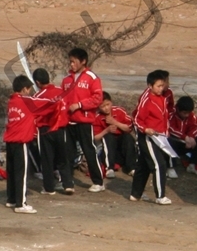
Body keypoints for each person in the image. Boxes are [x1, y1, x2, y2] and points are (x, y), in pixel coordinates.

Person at [61, 48, 104, 191]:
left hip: (84, 121)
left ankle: (98, 182)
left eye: (74, 61)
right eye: (70, 61)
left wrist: (80, 105)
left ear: (83, 61)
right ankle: (67, 183)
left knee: (89, 150)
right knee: (67, 152)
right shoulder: (66, 79)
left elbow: (97, 98)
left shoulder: (92, 78)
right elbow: (62, 99)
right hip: (69, 121)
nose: (71, 64)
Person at [131, 70, 174, 204]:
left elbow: (165, 117)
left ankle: (135, 194)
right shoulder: (146, 100)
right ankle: (160, 196)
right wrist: (145, 129)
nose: (161, 89)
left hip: (160, 137)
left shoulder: (163, 98)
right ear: (150, 86)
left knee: (143, 165)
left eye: (163, 85)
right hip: (148, 137)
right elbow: (137, 119)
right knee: (158, 164)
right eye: (158, 86)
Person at [31, 67, 71, 194]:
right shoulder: (62, 91)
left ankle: (49, 188)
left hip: (46, 130)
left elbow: (34, 114)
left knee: (47, 160)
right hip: (62, 128)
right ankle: (68, 184)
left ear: (37, 82)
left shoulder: (38, 96)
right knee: (63, 158)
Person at [4, 75, 40, 213]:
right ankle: (21, 203)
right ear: (25, 89)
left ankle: (11, 199)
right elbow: (45, 104)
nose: (30, 92)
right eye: (29, 89)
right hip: (21, 141)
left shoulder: (11, 101)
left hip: (10, 141)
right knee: (21, 173)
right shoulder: (26, 101)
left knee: (12, 172)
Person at [91, 96, 135, 177]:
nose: (106, 108)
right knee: (108, 137)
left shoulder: (119, 111)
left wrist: (115, 122)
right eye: (103, 106)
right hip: (107, 149)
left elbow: (129, 128)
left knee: (127, 137)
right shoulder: (97, 117)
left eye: (107, 104)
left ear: (111, 102)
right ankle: (109, 168)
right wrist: (106, 130)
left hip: (121, 145)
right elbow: (95, 137)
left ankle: (131, 167)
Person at [168, 95, 197, 169]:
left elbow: (195, 127)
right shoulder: (172, 114)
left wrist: (191, 136)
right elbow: (171, 128)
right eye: (184, 113)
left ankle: (193, 163)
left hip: (187, 142)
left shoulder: (191, 116)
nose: (187, 115)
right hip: (176, 140)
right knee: (169, 141)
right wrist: (185, 137)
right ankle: (171, 166)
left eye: (188, 113)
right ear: (178, 109)